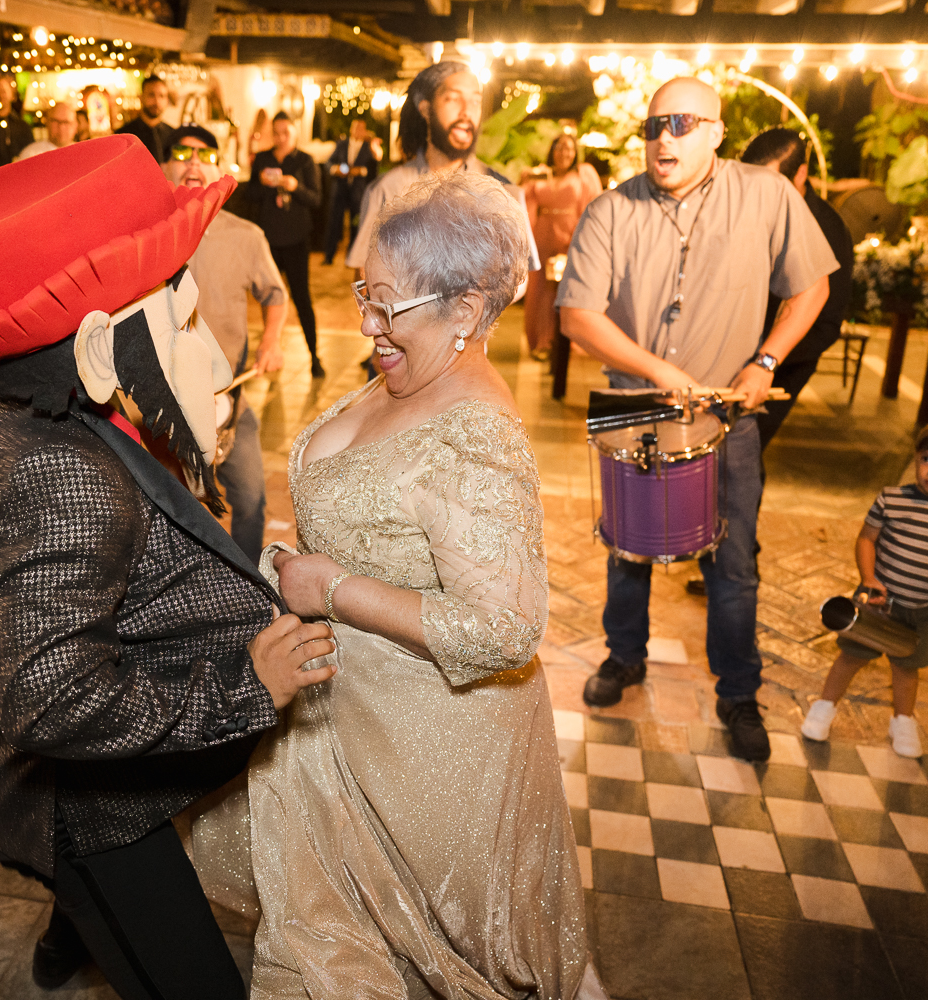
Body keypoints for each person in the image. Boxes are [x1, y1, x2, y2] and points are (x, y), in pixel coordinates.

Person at [0, 135, 337, 997]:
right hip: (89, 813)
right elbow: (52, 698)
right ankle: (79, 916)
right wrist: (245, 691)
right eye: (181, 318)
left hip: (77, 769)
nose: (209, 351)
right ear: (96, 350)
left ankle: (65, 931)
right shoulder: (60, 474)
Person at [188, 170, 601, 999]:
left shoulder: (475, 433)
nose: (367, 325)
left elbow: (505, 630)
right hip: (340, 710)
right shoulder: (409, 372)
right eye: (362, 296)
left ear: (467, 310)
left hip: (428, 748)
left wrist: (332, 586)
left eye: (389, 307)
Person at [556, 77, 837, 761]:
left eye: (680, 125)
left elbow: (812, 287)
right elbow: (575, 318)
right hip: (635, 412)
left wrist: (766, 360)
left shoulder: (769, 196)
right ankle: (625, 657)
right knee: (627, 547)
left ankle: (738, 691)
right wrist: (659, 372)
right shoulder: (610, 209)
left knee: (732, 562)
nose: (662, 140)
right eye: (652, 127)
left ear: (717, 131)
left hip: (725, 417)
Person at [802, 419, 928, 758]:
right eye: (926, 459)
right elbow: (867, 539)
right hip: (879, 601)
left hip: (927, 607)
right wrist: (869, 577)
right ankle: (825, 706)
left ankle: (902, 720)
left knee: (907, 665)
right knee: (851, 656)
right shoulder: (892, 499)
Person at [164, 125, 288, 561]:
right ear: (164, 167)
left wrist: (270, 341)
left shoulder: (245, 235)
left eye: (204, 153)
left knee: (251, 500)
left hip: (228, 399)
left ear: (218, 167)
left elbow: (276, 295)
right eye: (181, 152)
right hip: (158, 404)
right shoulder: (144, 235)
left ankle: (248, 591)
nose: (193, 161)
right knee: (169, 512)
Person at [345, 61, 538, 279]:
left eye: (475, 101)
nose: (466, 111)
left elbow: (520, 277)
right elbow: (364, 272)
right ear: (426, 109)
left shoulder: (501, 188)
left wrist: (476, 304)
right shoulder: (390, 189)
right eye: (453, 99)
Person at [739, 127, 854, 449]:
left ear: (801, 174)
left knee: (747, 444)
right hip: (738, 354)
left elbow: (827, 323)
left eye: (769, 183)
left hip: (785, 362)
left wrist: (764, 359)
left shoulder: (827, 228)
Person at [248, 112, 323, 377]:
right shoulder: (263, 159)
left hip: (296, 239)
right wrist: (263, 183)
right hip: (269, 239)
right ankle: (271, 347)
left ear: (295, 133)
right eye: (276, 133)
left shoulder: (304, 161)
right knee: (269, 298)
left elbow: (316, 199)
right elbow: (251, 196)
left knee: (302, 297)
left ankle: (314, 355)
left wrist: (295, 187)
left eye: (285, 133)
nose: (280, 138)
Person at [524, 131, 601, 367]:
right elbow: (524, 205)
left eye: (569, 148)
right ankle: (543, 342)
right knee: (541, 292)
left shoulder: (583, 175)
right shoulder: (539, 174)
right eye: (559, 147)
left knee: (565, 291)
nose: (564, 153)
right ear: (552, 150)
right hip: (543, 239)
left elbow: (592, 207)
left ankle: (567, 341)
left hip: (570, 239)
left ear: (575, 152)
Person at [322, 118, 378, 265]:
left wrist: (361, 171)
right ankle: (329, 256)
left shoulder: (368, 147)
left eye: (361, 128)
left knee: (356, 225)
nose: (357, 131)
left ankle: (352, 256)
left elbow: (373, 169)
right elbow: (329, 163)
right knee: (334, 223)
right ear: (351, 129)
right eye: (355, 128)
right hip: (340, 190)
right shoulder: (341, 144)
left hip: (358, 192)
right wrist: (336, 169)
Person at [116, 74, 173, 162]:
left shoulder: (173, 134)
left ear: (167, 100)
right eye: (151, 95)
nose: (157, 101)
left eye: (161, 96)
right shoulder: (124, 136)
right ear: (141, 97)